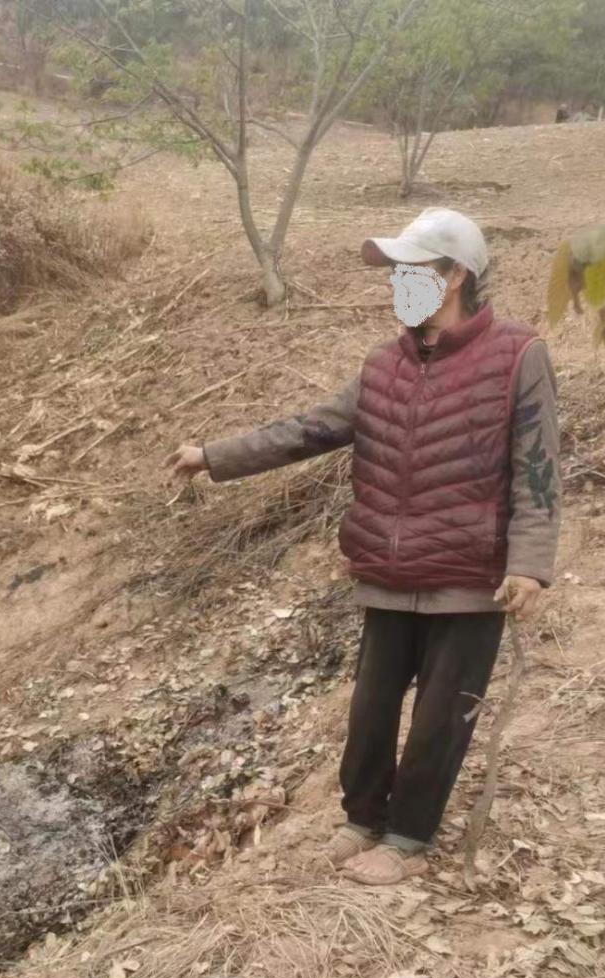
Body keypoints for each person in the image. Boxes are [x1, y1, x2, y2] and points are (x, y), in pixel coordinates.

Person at [166, 208, 560, 887]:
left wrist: (529, 564)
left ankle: (407, 839)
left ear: (455, 274)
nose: (398, 286)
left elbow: (538, 466)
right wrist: (214, 455)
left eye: (410, 272)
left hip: (470, 575)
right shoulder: (384, 365)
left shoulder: (519, 356)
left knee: (440, 718)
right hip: (389, 569)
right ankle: (361, 819)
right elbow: (309, 428)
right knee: (371, 709)